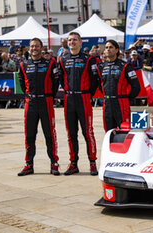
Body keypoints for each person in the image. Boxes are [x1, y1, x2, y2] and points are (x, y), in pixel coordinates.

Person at [58, 32, 99, 176]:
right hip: (69, 99)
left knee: (87, 132)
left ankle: (92, 163)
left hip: (84, 98)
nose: (72, 42)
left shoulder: (89, 59)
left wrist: (87, 94)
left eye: (75, 40)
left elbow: (95, 80)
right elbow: (62, 79)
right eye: (69, 40)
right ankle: (73, 163)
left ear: (80, 42)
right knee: (71, 133)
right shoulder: (62, 59)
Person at [17, 37, 60, 176]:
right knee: (29, 135)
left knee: (50, 134)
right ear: (29, 49)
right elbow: (22, 84)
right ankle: (29, 164)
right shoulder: (23, 65)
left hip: (46, 102)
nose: (34, 48)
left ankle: (54, 163)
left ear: (41, 48)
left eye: (36, 46)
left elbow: (55, 83)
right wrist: (30, 95)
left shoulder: (50, 64)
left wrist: (48, 97)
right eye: (32, 46)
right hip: (31, 103)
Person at [98, 39, 141, 131]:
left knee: (125, 132)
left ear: (117, 50)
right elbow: (100, 84)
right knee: (109, 133)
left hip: (121, 102)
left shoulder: (125, 66)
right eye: (106, 48)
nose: (108, 49)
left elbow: (136, 86)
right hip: (107, 103)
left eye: (111, 47)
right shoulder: (101, 66)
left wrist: (127, 98)